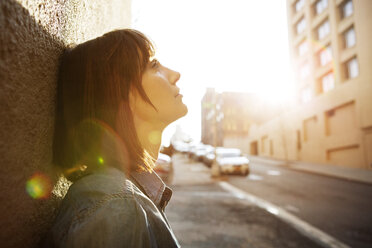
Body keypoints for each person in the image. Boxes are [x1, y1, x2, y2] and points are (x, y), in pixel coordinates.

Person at [45, 29, 187, 247]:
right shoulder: (115, 208)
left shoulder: (120, 201)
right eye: (154, 65)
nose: (175, 74)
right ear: (120, 92)